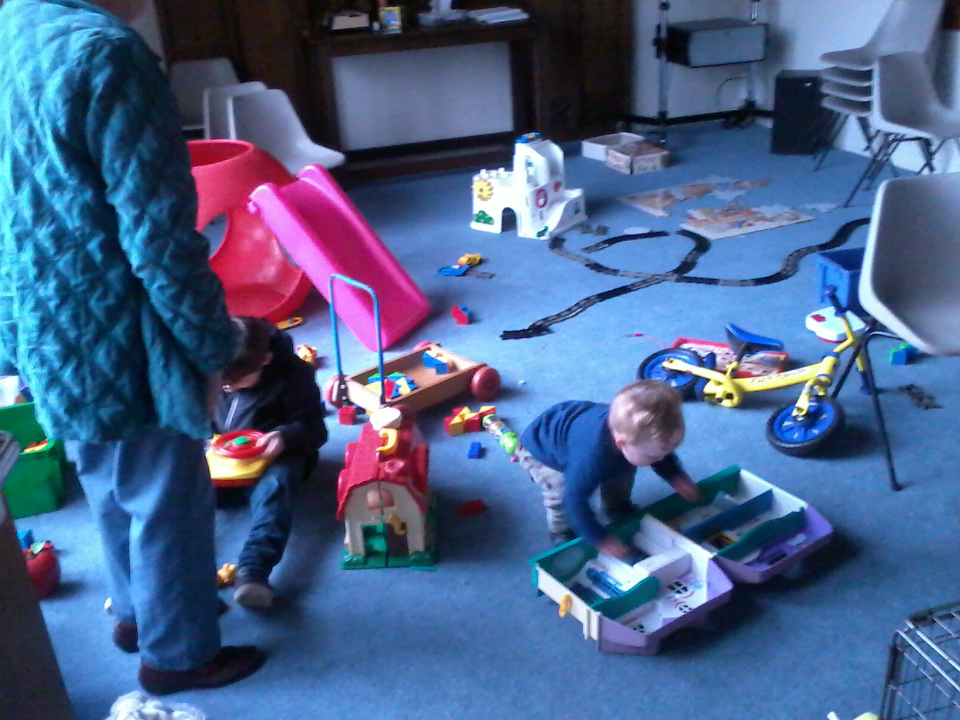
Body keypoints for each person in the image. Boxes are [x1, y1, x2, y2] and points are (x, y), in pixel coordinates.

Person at [0, 0, 265, 695]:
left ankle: (139, 613)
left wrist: (11, 341)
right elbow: (161, 239)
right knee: (168, 495)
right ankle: (177, 655)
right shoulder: (108, 55)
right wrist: (214, 347)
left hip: (39, 316)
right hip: (122, 326)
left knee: (106, 476)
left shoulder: (12, 25)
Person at [515, 380, 702, 559]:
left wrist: (675, 475)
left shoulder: (636, 439)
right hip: (541, 448)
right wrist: (598, 538)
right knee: (559, 491)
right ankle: (561, 530)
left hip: (577, 426)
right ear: (621, 443)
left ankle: (615, 505)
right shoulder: (592, 457)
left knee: (626, 467)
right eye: (653, 457)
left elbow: (659, 454)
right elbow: (574, 498)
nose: (660, 460)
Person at [213, 316, 328, 608]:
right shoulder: (215, 369)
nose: (229, 389)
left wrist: (284, 437)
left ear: (265, 360)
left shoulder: (293, 375)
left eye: (236, 383)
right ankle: (171, 572)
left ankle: (253, 572)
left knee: (275, 491)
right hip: (221, 460)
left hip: (272, 457)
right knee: (178, 489)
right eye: (222, 384)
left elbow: (316, 429)